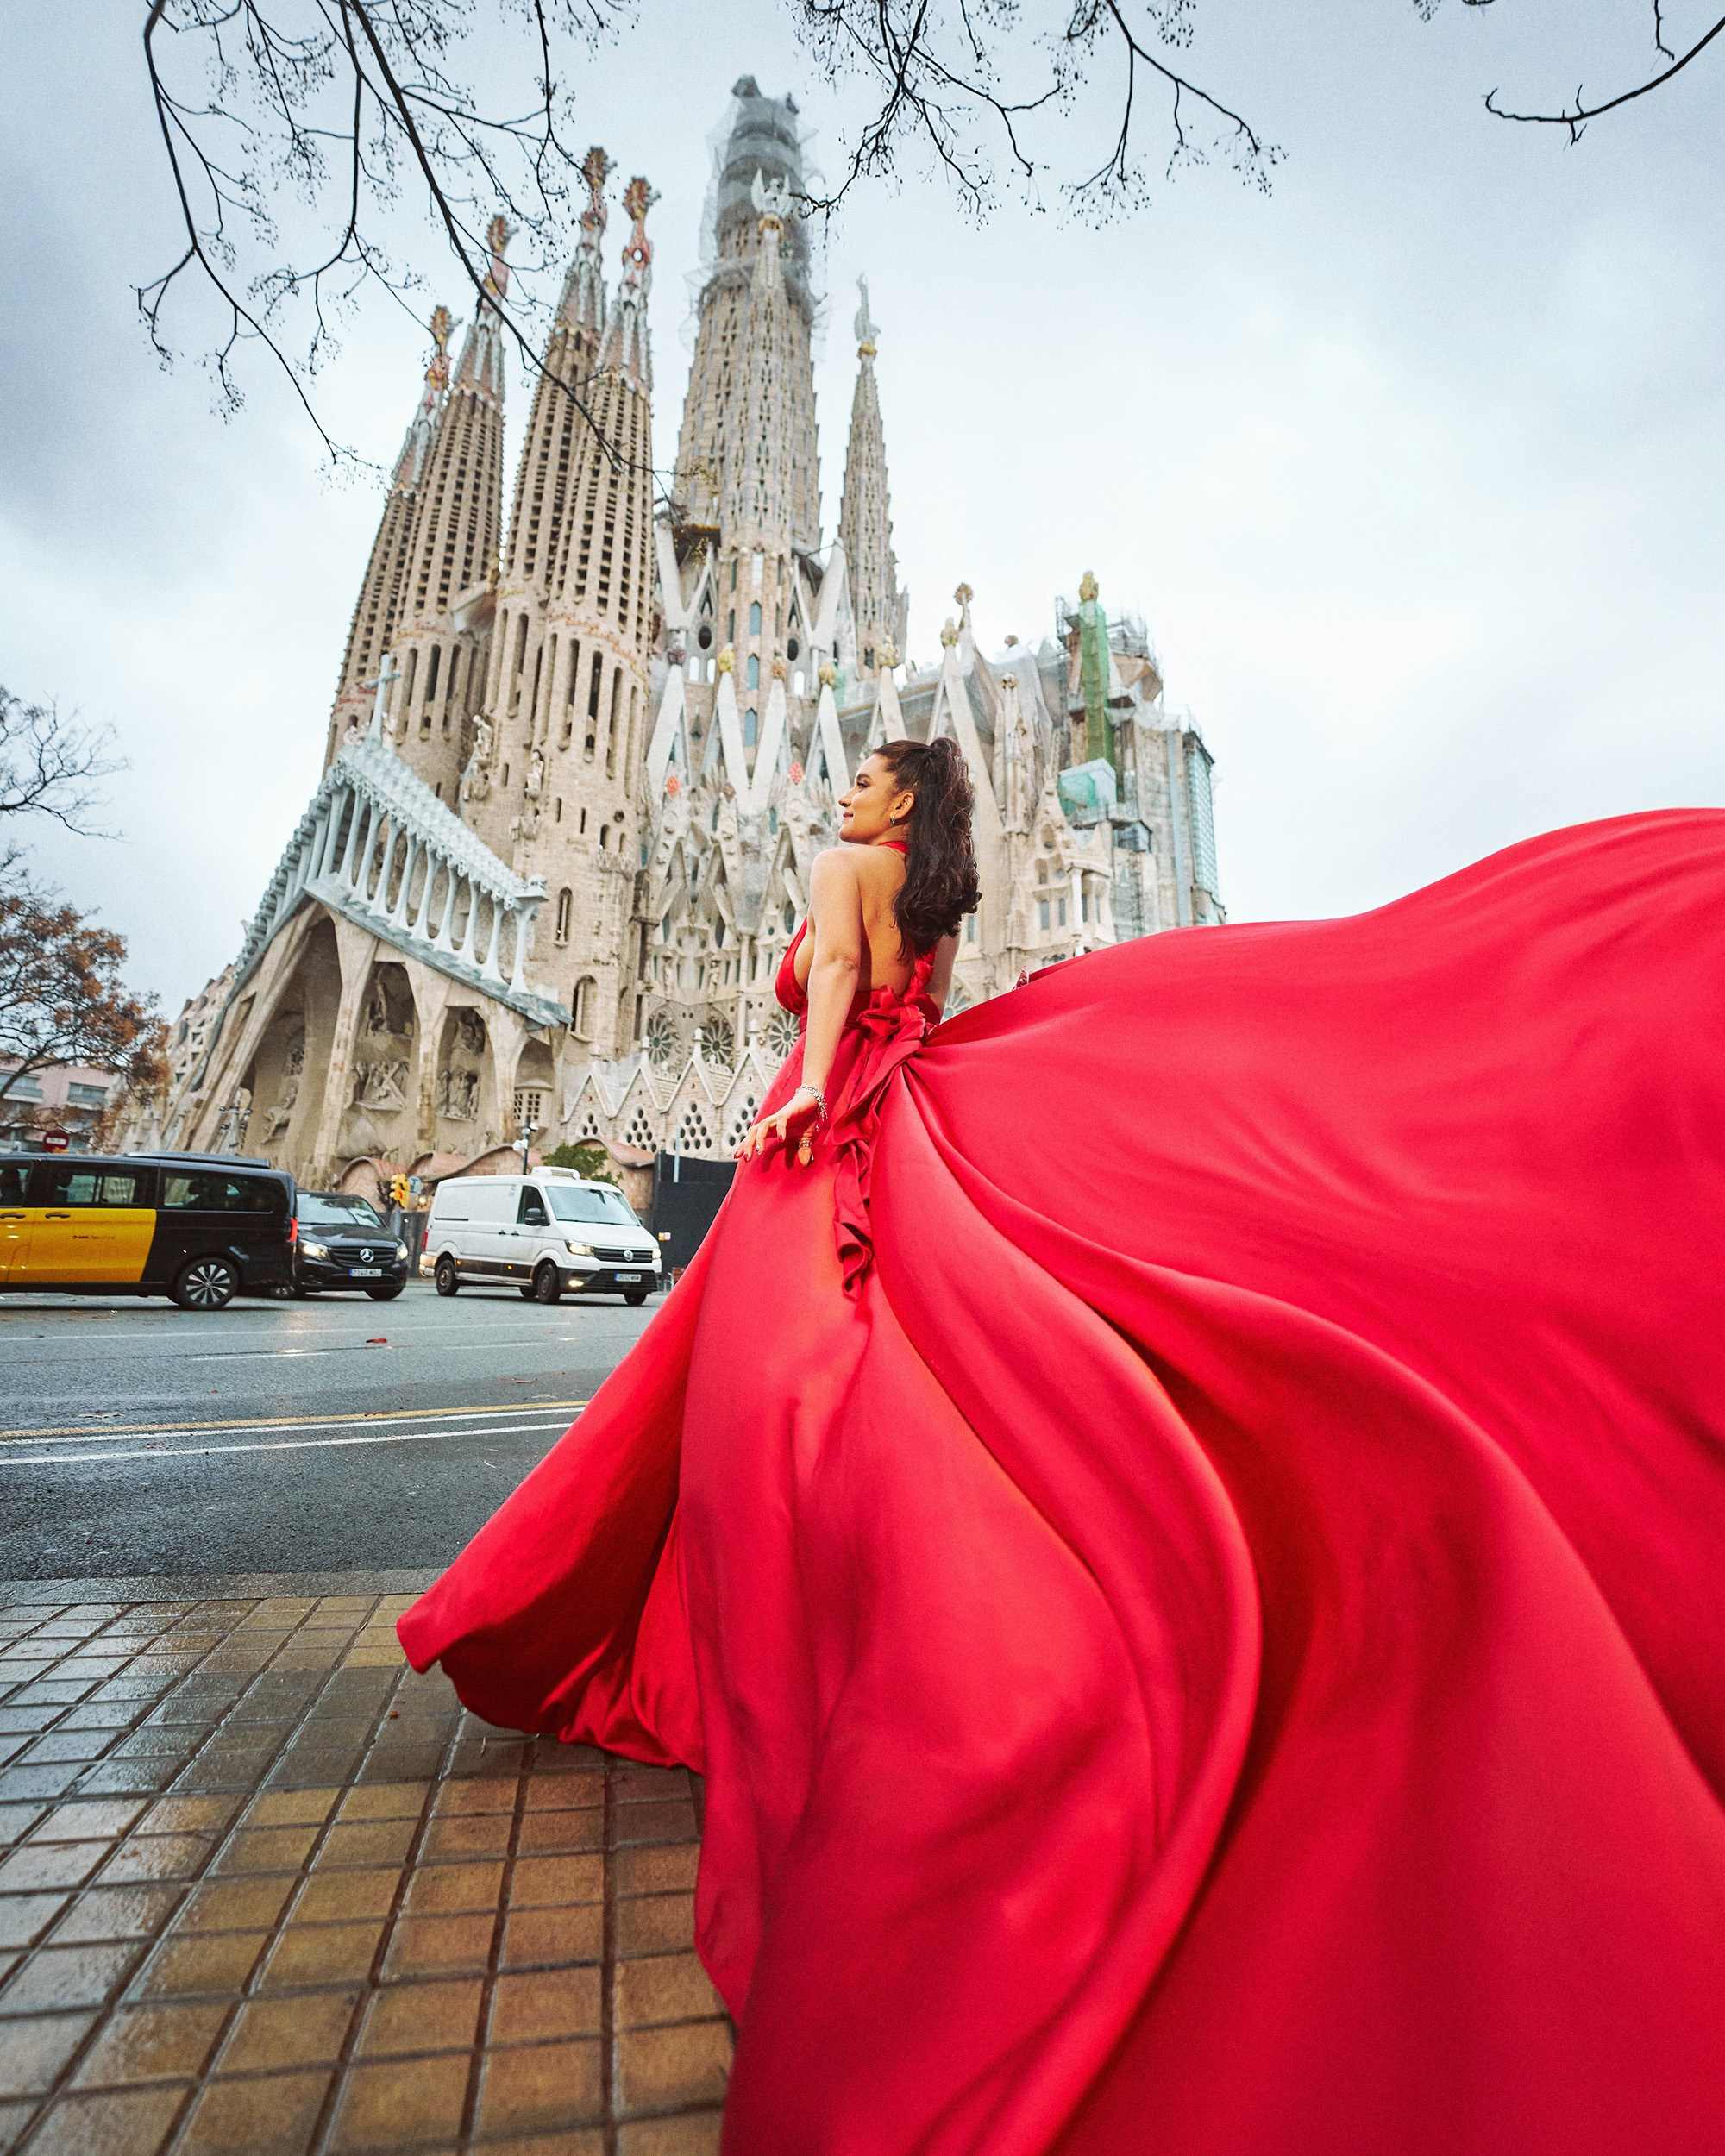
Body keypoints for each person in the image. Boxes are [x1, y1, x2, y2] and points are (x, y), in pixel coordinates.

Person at [400, 765, 1725, 2154]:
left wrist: (802, 1104)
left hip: (818, 1129)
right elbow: (914, 998)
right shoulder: (935, 892)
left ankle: (768, 1660)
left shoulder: (848, 878)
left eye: (865, 779)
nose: (845, 793)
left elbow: (841, 985)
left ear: (897, 810)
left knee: (784, 1427)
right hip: (880, 1112)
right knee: (851, 1403)